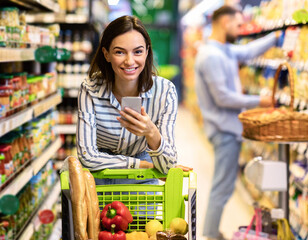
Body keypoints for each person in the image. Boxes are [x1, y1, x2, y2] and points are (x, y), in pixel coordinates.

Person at [194, 5, 280, 240]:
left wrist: (277, 37)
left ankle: (211, 231)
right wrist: (260, 101)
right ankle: (211, 234)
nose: (240, 29)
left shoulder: (224, 50)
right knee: (222, 187)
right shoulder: (210, 56)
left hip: (229, 128)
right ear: (225, 23)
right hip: (223, 130)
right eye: (237, 24)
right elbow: (222, 97)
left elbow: (248, 51)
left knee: (224, 185)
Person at [76, 15, 191, 186]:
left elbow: (167, 167)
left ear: (147, 52)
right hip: (98, 181)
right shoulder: (90, 90)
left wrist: (151, 132)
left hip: (142, 184)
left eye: (137, 51)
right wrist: (143, 165)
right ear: (106, 54)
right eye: (119, 52)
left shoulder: (165, 92)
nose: (129, 61)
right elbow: (87, 157)